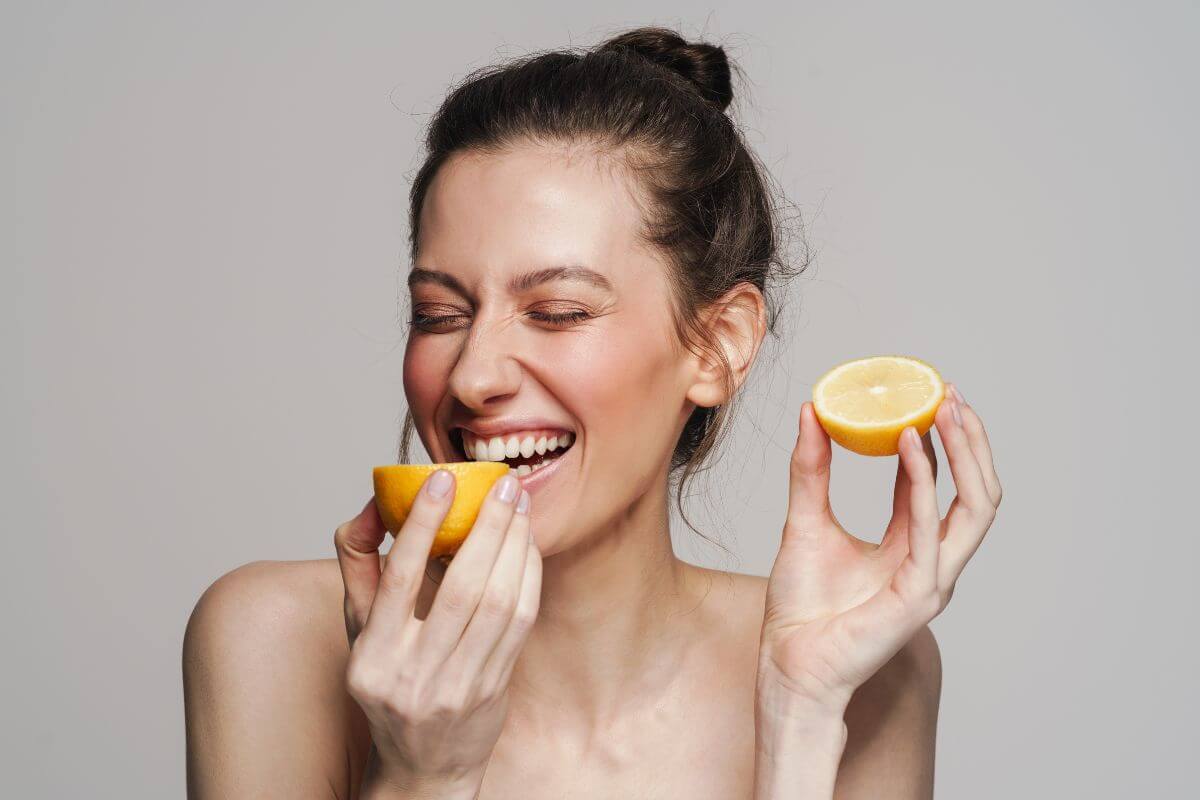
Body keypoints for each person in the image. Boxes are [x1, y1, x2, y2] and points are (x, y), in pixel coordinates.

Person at [183, 26, 1002, 799]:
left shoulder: (866, 671)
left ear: (718, 345)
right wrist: (419, 776)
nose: (471, 376)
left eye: (559, 312)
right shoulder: (273, 643)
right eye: (439, 315)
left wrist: (800, 717)